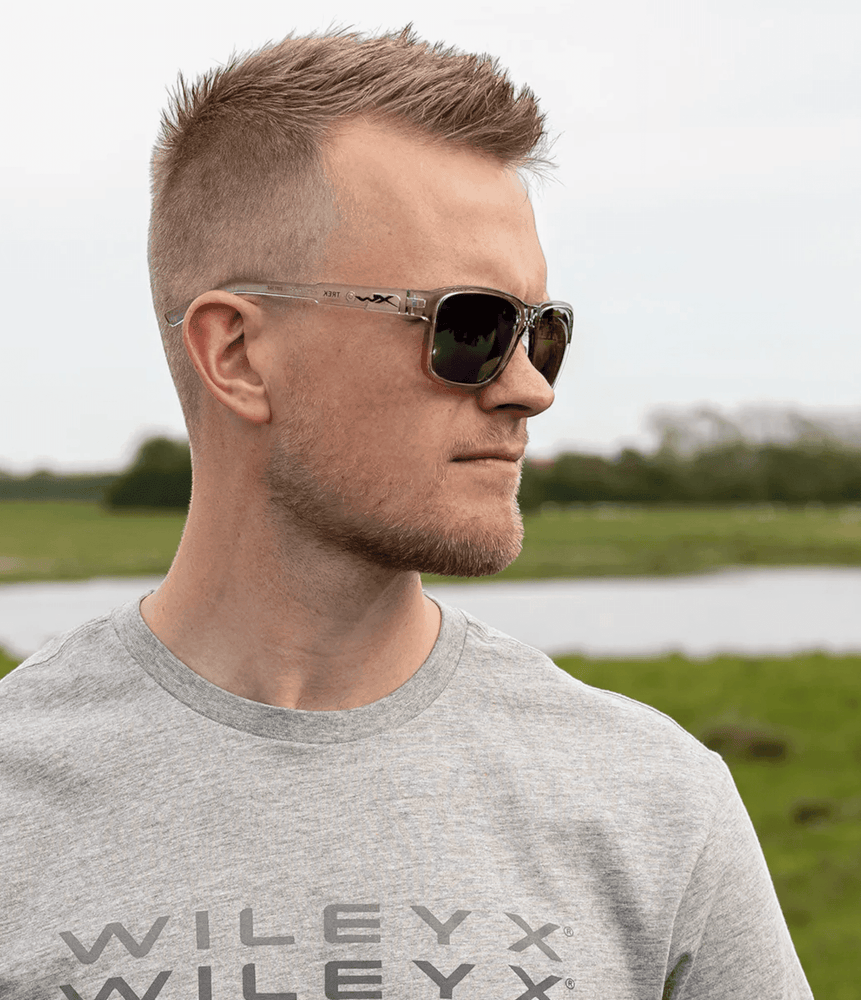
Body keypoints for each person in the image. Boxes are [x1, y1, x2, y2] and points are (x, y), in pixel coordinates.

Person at [0, 26, 812, 1000]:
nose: (530, 388)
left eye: (542, 332)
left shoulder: (654, 801)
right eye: (470, 326)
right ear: (238, 355)